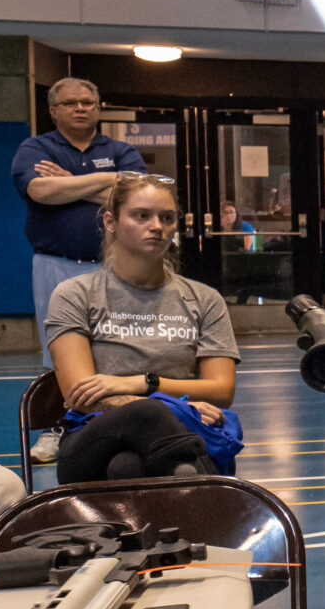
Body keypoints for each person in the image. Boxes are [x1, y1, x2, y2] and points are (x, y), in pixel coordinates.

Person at [45, 173, 241, 485]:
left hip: (171, 441)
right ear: (111, 222)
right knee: (147, 415)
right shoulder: (76, 294)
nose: (157, 226)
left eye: (166, 217)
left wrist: (143, 384)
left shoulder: (204, 299)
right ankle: (210, 503)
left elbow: (221, 391)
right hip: (91, 441)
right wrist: (174, 407)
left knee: (127, 467)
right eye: (141, 216)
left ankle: (176, 522)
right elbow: (80, 393)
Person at [14, 77, 146, 462]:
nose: (80, 108)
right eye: (70, 103)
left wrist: (69, 183)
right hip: (55, 265)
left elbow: (138, 196)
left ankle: (115, 422)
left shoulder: (120, 149)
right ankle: (58, 427)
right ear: (53, 111)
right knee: (58, 350)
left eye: (88, 101)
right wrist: (108, 183)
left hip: (114, 269)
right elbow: (39, 191)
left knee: (118, 347)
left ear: (99, 107)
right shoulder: (35, 147)